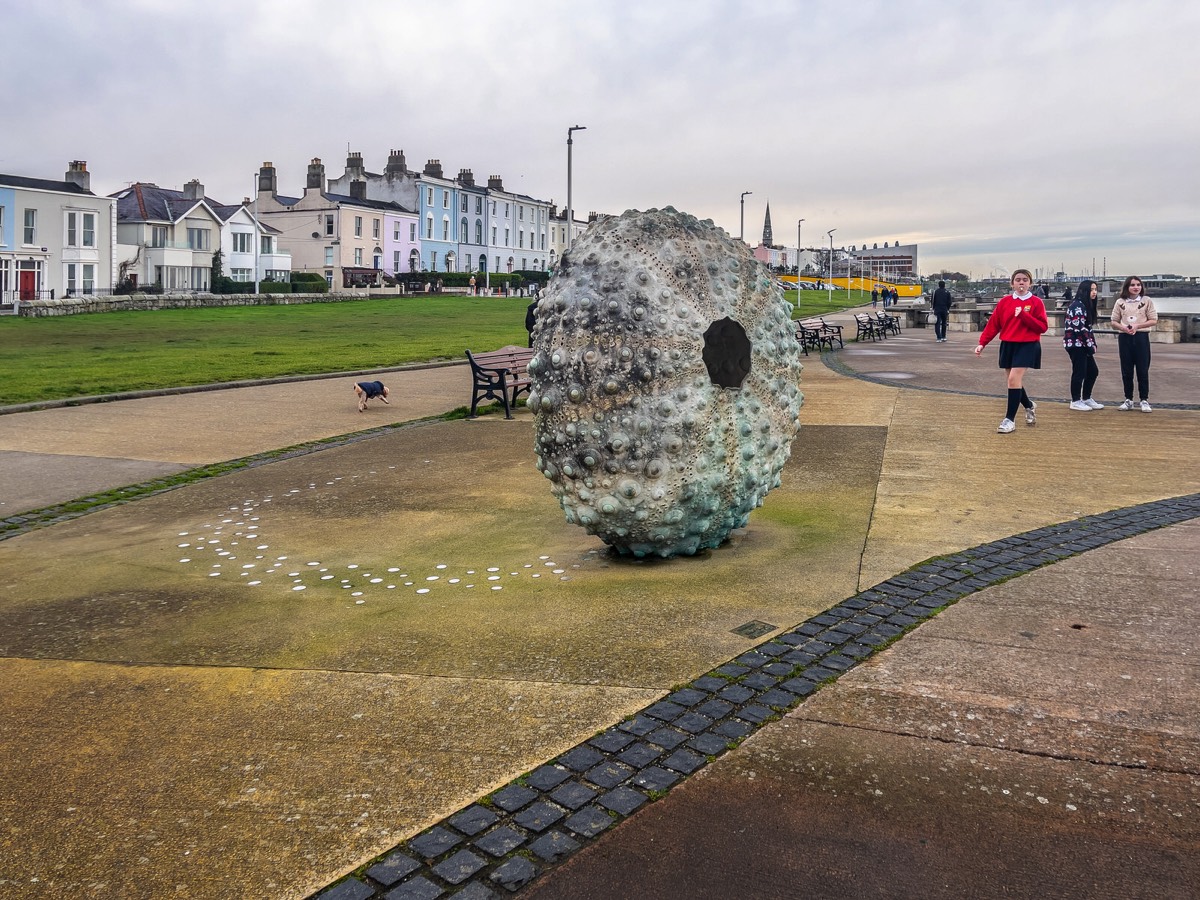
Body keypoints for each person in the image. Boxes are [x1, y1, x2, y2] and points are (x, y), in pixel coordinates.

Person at [973, 268, 1048, 433]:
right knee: (1013, 382)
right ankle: (1029, 405)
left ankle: (1009, 420)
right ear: (1012, 283)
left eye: (1025, 280)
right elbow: (993, 325)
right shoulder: (1005, 302)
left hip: (1028, 344)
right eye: (1018, 279)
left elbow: (1042, 327)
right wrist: (982, 343)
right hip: (1008, 344)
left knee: (1014, 380)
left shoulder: (1036, 302)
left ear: (1030, 283)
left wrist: (1023, 315)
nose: (1021, 282)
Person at [1110, 275, 1157, 412]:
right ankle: (1128, 399)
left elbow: (1153, 320)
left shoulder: (1146, 301)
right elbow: (1114, 321)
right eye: (1132, 285)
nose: (1136, 287)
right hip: (1125, 338)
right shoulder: (1120, 302)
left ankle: (1144, 399)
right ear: (1127, 287)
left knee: (1142, 369)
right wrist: (1123, 328)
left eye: (1138, 284)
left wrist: (1138, 326)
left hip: (1141, 337)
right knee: (1127, 370)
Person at [1063, 279, 1103, 411]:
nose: (1094, 292)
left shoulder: (1084, 305)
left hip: (1082, 344)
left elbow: (1086, 328)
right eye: (1091, 290)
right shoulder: (1077, 306)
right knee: (1079, 372)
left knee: (1092, 371)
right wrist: (1090, 345)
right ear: (1084, 291)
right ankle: (1075, 400)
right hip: (1076, 344)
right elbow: (1079, 329)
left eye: (1096, 290)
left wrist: (1091, 344)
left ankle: (1086, 398)